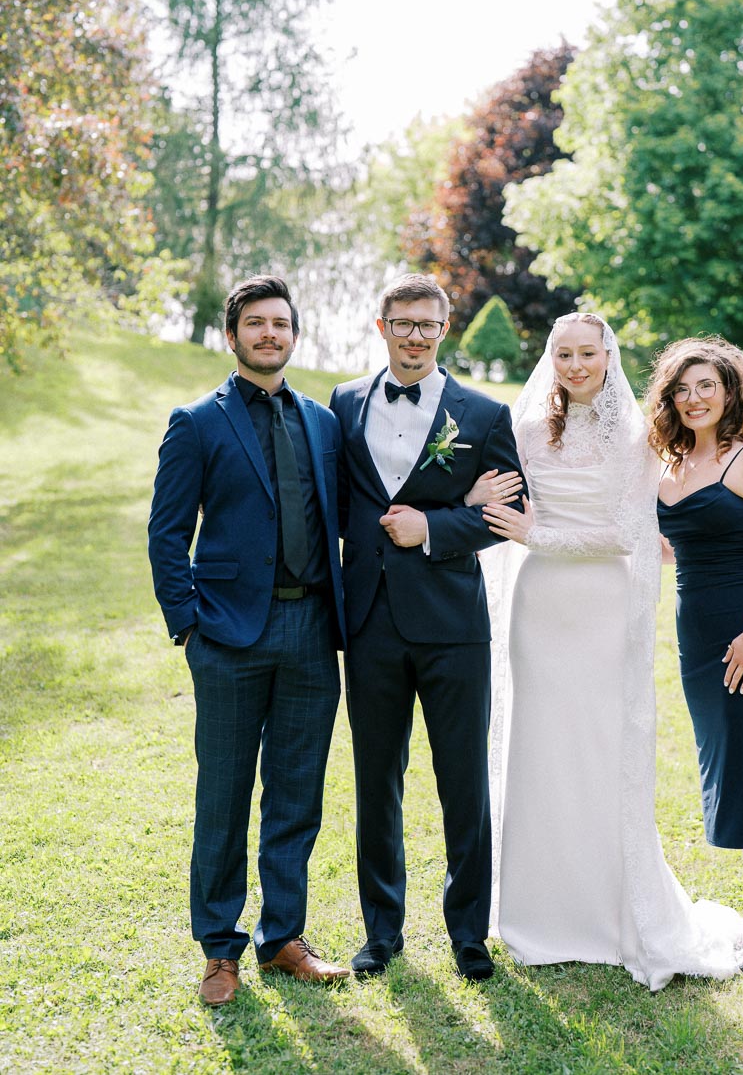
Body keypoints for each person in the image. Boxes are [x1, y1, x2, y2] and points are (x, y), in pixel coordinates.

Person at [478, 313, 743, 991]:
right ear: (551, 357)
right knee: (539, 745)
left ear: (607, 356)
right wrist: (485, 500)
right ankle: (538, 914)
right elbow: (499, 492)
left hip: (598, 604)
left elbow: (627, 531)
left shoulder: (636, 435)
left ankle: (604, 912)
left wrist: (540, 536)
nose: (574, 365)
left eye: (586, 353)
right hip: (538, 607)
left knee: (597, 746)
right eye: (562, 353)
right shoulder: (527, 425)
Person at [148, 275, 350, 1005]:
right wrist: (189, 623)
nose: (270, 334)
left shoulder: (324, 423)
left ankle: (283, 939)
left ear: (295, 335)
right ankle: (219, 948)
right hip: (227, 634)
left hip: (310, 629)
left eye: (281, 324)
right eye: (256, 324)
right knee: (225, 794)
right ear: (232, 336)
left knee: (297, 793)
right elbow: (167, 534)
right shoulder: (196, 421)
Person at [329, 273, 524, 981]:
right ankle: (382, 932)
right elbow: (340, 497)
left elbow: (509, 512)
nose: (415, 336)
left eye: (428, 325)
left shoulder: (483, 414)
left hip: (452, 625)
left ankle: (469, 931)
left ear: (445, 330)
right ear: (381, 326)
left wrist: (435, 526)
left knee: (462, 781)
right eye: (402, 323)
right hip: (370, 620)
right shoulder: (344, 402)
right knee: (375, 780)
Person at [648, 336, 743, 974]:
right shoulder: (671, 468)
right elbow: (670, 545)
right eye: (682, 389)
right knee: (731, 773)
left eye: (705, 386)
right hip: (700, 643)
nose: (693, 398)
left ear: (731, 391)